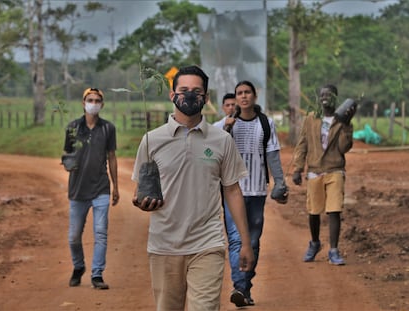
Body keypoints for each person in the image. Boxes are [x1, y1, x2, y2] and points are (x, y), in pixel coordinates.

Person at [131, 65, 254, 311]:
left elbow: (232, 190)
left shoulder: (221, 141)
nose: (189, 96)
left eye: (196, 91)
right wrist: (142, 202)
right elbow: (141, 190)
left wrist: (245, 243)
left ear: (206, 98)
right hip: (164, 244)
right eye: (183, 90)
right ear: (172, 95)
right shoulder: (151, 141)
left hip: (207, 242)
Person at [223, 80, 288, 307]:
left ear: (254, 95)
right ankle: (239, 287)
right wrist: (226, 129)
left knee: (253, 241)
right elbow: (213, 153)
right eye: (239, 93)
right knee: (235, 239)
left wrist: (280, 183)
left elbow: (273, 156)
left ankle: (246, 287)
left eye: (247, 92)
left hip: (258, 190)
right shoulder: (226, 124)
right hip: (232, 190)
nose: (243, 96)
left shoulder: (266, 123)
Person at [292, 84, 355, 265]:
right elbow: (302, 144)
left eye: (329, 94)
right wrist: (298, 168)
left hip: (335, 169)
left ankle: (333, 250)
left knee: (334, 210)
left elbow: (344, 148)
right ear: (318, 98)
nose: (325, 97)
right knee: (314, 211)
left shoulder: (342, 120)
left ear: (336, 98)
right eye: (322, 94)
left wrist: (347, 126)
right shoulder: (311, 119)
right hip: (314, 171)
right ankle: (315, 243)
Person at [62, 87, 119, 290]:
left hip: (101, 188)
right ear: (83, 102)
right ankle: (79, 267)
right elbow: (66, 154)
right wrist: (69, 162)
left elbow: (112, 157)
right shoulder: (73, 128)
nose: (93, 103)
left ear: (102, 105)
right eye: (90, 100)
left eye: (97, 100)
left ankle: (97, 274)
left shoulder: (108, 129)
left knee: (100, 232)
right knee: (74, 236)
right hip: (78, 190)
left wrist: (115, 186)